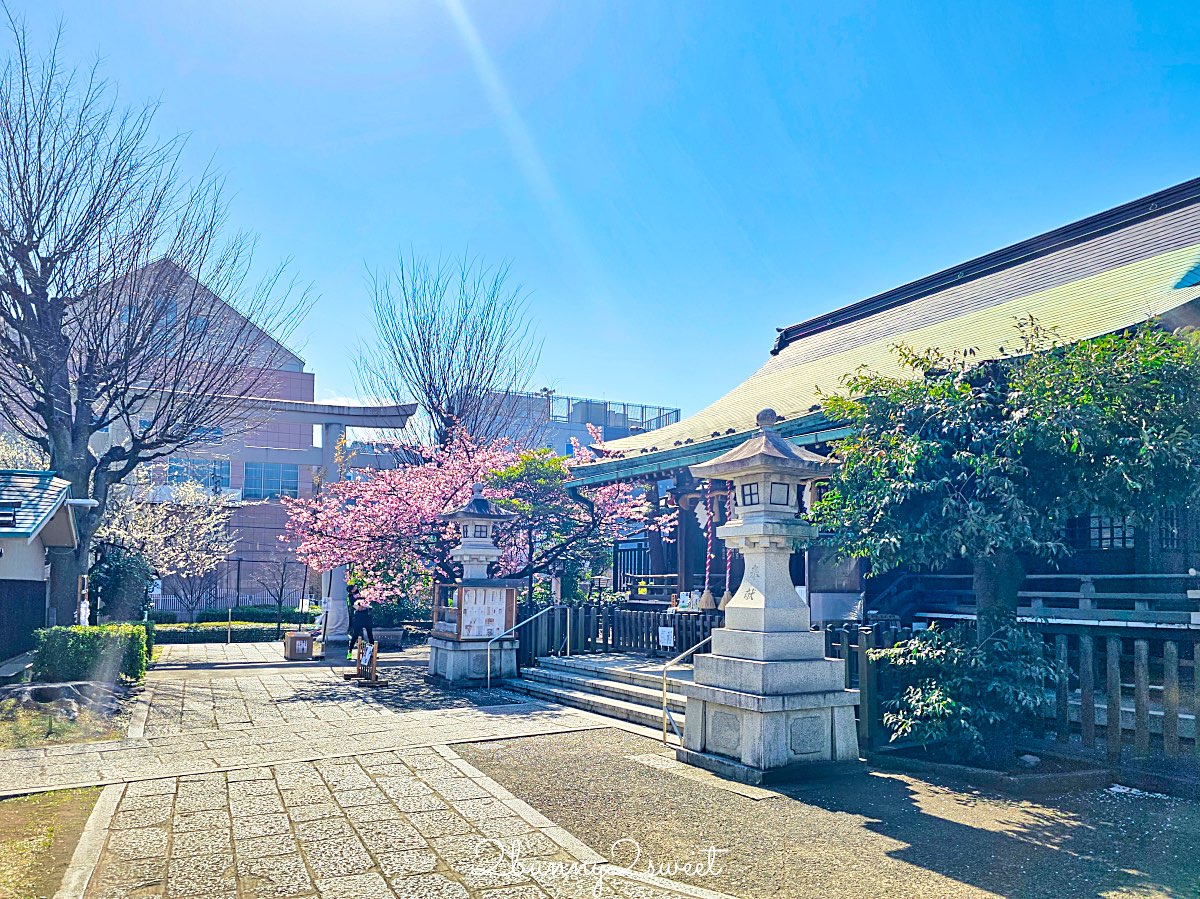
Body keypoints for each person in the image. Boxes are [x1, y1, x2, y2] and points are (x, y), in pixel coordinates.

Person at [347, 590, 375, 660]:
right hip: (358, 617)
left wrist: (365, 605)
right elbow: (357, 607)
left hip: (366, 616)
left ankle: (372, 653)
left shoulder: (363, 594)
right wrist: (361, 605)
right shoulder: (351, 597)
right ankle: (350, 652)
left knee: (370, 635)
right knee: (355, 635)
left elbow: (368, 605)